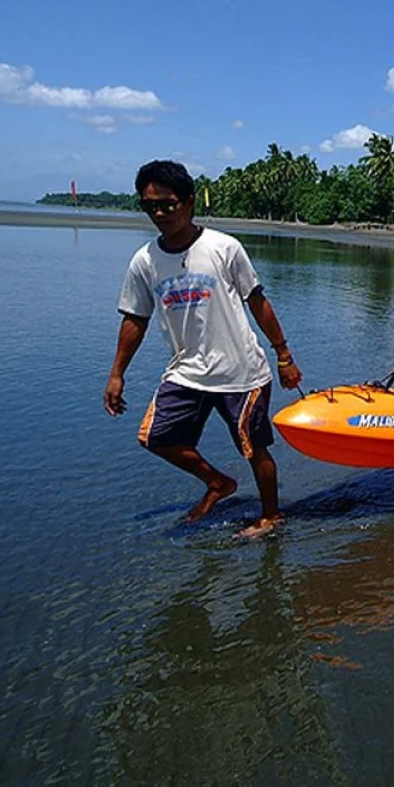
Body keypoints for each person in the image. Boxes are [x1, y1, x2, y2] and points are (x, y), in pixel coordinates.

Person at [103, 160, 301, 537]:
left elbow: (256, 300)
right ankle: (218, 482)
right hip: (188, 371)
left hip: (241, 371)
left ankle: (271, 516)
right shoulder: (144, 261)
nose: (159, 213)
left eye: (168, 204)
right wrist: (116, 374)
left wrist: (284, 355)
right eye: (150, 206)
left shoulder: (224, 247)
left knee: (254, 450)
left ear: (189, 203)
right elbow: (135, 319)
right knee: (156, 437)